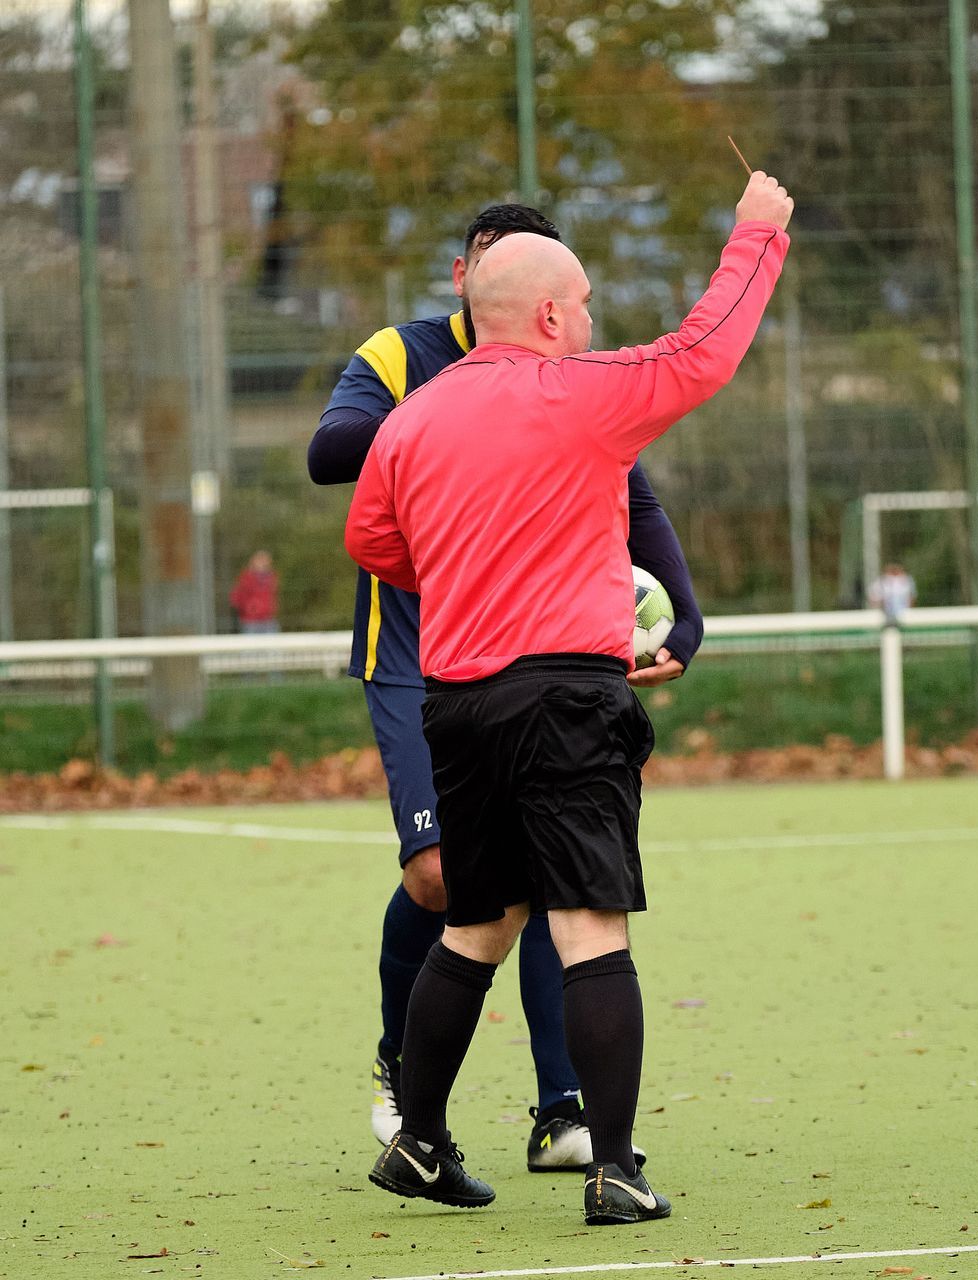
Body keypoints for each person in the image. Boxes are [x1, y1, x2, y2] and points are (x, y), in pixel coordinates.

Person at [348, 171, 791, 1224]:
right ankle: (615, 1168)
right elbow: (704, 350)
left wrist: (474, 572)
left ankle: (418, 1142)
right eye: (584, 303)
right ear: (549, 315)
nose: (590, 319)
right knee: (591, 928)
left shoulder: (412, 421)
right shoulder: (585, 391)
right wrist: (757, 234)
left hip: (457, 704)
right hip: (565, 701)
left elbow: (372, 540)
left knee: (477, 927)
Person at [309, 204, 706, 1172]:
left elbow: (634, 495)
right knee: (439, 876)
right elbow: (329, 453)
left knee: (547, 879)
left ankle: (559, 1108)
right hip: (413, 649)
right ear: (466, 277)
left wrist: (686, 618)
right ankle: (403, 1072)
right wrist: (460, 421)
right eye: (487, 264)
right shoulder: (404, 358)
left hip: (526, 658)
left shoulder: (567, 376)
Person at [229, 550, 280, 634]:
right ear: (253, 562)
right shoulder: (246, 578)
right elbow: (236, 598)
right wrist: (250, 608)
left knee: (273, 641)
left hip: (268, 619)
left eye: (265, 561)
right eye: (260, 560)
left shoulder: (271, 578)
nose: (263, 563)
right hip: (250, 621)